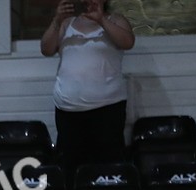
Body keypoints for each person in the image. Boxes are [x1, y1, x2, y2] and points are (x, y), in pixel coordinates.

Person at [41, 1, 136, 174]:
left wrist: (101, 20)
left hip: (108, 108)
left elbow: (128, 42)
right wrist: (57, 20)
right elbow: (46, 49)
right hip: (69, 109)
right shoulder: (66, 23)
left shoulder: (115, 20)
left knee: (108, 164)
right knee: (71, 165)